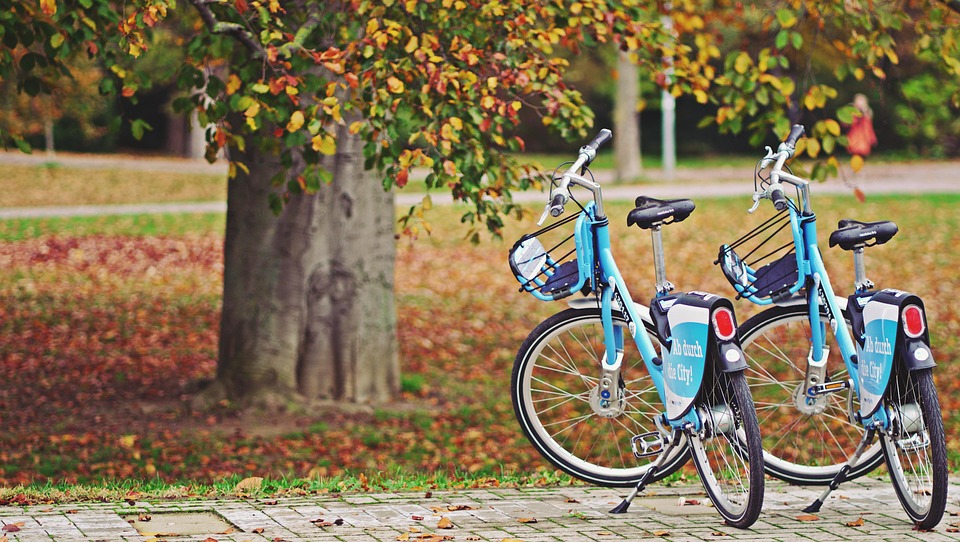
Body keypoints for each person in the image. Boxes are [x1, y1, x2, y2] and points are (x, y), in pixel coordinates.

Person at [846, 93, 877, 158]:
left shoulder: (867, 112)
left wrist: (865, 112)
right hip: (854, 137)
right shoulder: (852, 112)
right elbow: (847, 123)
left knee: (863, 152)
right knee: (855, 153)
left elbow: (869, 126)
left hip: (864, 138)